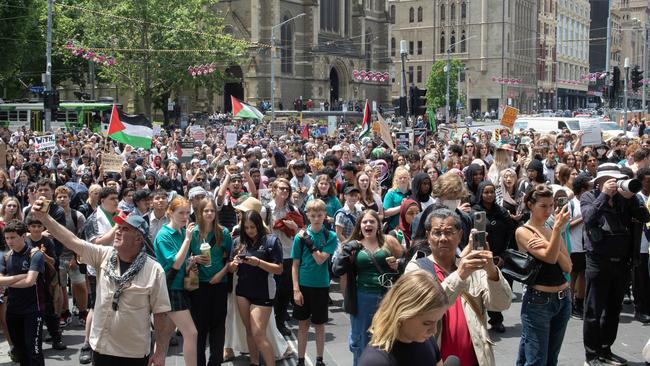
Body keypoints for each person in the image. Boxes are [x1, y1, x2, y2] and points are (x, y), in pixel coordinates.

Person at [30, 197, 172, 366]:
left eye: (125, 229)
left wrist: (161, 352)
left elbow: (161, 315)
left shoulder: (154, 270)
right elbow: (72, 241)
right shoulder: (103, 255)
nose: (117, 231)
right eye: (118, 227)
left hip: (133, 352)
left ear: (138, 239)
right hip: (101, 347)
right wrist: (45, 218)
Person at [405, 208, 512, 366]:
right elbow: (423, 310)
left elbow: (502, 303)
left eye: (449, 232)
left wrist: (491, 271)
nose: (443, 238)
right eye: (437, 232)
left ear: (460, 235)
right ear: (428, 237)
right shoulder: (416, 269)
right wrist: (460, 275)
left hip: (476, 359)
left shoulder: (473, 268)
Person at [581, 163, 650, 366]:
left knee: (613, 310)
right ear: (601, 181)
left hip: (622, 262)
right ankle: (592, 355)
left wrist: (634, 199)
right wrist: (604, 195)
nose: (615, 183)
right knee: (594, 311)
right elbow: (588, 218)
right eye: (610, 179)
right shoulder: (590, 197)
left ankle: (606, 349)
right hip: (598, 261)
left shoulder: (626, 199)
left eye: (616, 178)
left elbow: (645, 217)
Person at [333, 210, 404, 366]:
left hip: (387, 297)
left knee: (387, 338)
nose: (368, 224)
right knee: (362, 340)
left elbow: (406, 259)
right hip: (363, 298)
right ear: (359, 226)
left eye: (372, 221)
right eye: (364, 222)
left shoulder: (388, 241)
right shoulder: (353, 245)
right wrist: (346, 250)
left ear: (378, 225)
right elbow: (338, 270)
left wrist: (398, 264)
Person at [514, 184, 572, 366]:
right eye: (543, 206)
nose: (549, 210)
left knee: (550, 358)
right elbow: (550, 257)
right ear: (531, 205)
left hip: (563, 299)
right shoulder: (524, 231)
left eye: (551, 205)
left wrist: (549, 239)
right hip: (538, 301)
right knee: (537, 360)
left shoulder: (550, 230)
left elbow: (567, 266)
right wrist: (555, 233)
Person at [358, 270, 448, 366]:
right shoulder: (375, 361)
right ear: (402, 314)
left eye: (437, 322)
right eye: (427, 323)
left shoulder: (427, 341)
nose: (434, 331)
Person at [230, 210, 283, 366]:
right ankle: (254, 362)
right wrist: (233, 264)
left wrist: (258, 263)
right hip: (243, 291)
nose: (249, 231)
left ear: (259, 225)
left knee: (258, 334)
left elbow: (279, 269)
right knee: (249, 331)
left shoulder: (271, 241)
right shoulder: (237, 242)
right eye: (246, 227)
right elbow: (231, 269)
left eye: (252, 227)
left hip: (264, 291)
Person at [153, 197, 199, 366]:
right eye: (181, 213)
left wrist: (192, 262)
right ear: (170, 213)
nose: (185, 216)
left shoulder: (180, 231)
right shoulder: (164, 234)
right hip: (171, 289)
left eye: (188, 212)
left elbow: (183, 261)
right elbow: (175, 263)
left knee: (164, 335)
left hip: (180, 287)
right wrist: (188, 239)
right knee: (191, 333)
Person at [292, 199, 338, 366]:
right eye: (313, 215)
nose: (317, 218)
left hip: (321, 285)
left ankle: (319, 359)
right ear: (307, 216)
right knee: (302, 323)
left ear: (325, 215)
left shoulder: (330, 236)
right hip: (304, 285)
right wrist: (296, 289)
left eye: (320, 215)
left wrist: (309, 242)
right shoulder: (300, 238)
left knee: (319, 324)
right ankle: (301, 359)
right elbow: (295, 264)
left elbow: (320, 260)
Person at [189, 197, 233, 366]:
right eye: (205, 210)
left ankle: (215, 362)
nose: (209, 213)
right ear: (199, 213)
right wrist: (194, 259)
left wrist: (220, 275)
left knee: (218, 326)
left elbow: (230, 259)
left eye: (212, 211)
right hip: (198, 285)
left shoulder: (224, 233)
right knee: (199, 328)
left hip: (218, 284)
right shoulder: (193, 234)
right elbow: (187, 258)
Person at [471, 180, 515, 333]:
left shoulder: (501, 212)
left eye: (491, 192)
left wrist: (503, 254)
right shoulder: (475, 212)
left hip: (500, 255)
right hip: (481, 256)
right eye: (486, 192)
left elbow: (510, 232)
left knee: (496, 288)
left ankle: (497, 319)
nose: (489, 195)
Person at [0, 220, 46, 366]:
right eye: (7, 238)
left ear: (23, 236)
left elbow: (30, 282)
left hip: (33, 310)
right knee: (20, 351)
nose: (9, 241)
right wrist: (20, 276)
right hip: (13, 310)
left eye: (13, 237)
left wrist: (9, 281)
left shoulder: (35, 254)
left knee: (34, 350)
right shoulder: (6, 256)